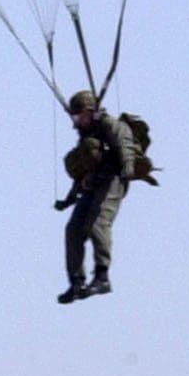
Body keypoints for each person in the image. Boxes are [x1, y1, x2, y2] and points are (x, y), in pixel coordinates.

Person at [55, 89, 136, 303]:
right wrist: (69, 199)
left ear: (91, 112)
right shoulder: (87, 138)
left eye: (80, 115)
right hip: (93, 185)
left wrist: (128, 164)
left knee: (97, 224)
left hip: (113, 181)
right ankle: (76, 281)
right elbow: (84, 169)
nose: (77, 121)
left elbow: (124, 141)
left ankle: (102, 277)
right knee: (73, 230)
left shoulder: (109, 126)